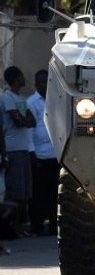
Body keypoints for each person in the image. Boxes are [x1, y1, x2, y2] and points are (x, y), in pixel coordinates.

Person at [2, 66, 35, 238]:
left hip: (23, 148)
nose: (24, 78)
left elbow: (32, 120)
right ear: (16, 79)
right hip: (13, 148)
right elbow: (20, 121)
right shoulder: (7, 98)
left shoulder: (20, 98)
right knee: (15, 191)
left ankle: (20, 226)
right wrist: (24, 119)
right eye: (22, 76)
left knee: (24, 192)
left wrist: (24, 119)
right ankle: (10, 228)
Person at [27, 70, 58, 236]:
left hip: (55, 154)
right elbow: (28, 131)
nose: (44, 85)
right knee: (38, 194)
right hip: (39, 155)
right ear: (36, 84)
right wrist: (32, 153)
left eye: (47, 82)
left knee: (55, 193)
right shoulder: (31, 102)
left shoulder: (56, 99)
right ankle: (36, 225)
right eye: (41, 82)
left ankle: (54, 225)